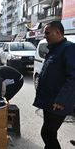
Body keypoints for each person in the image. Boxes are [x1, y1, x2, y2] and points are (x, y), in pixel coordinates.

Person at [33, 21, 75, 149]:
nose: (45, 36)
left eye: (47, 33)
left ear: (58, 32)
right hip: (49, 100)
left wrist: (62, 100)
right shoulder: (53, 48)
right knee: (50, 133)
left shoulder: (69, 48)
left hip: (58, 102)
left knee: (47, 133)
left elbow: (73, 78)